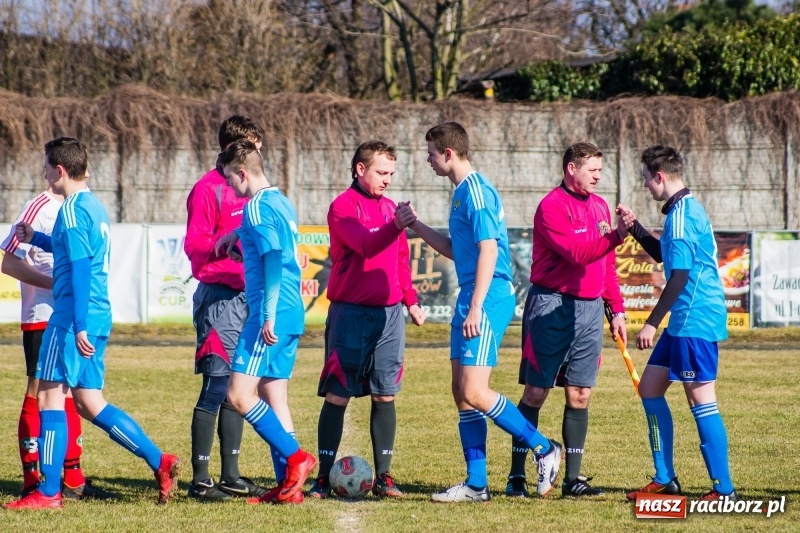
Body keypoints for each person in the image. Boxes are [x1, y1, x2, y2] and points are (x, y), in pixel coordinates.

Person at [3, 137, 179, 510]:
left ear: (60, 171)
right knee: (89, 402)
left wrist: (77, 324)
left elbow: (80, 269)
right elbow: (72, 250)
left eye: (47, 167)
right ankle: (159, 461)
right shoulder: (94, 207)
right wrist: (39, 239)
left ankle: (48, 492)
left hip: (71, 317)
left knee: (50, 398)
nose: (44, 173)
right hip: (99, 313)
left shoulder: (69, 210)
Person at [396, 122, 561, 503]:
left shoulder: (476, 192)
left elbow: (488, 250)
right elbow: (460, 249)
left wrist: (474, 308)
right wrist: (415, 225)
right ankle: (476, 484)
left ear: (449, 153)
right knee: (461, 392)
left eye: (432, 153)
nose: (428, 160)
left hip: (486, 298)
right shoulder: (459, 194)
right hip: (473, 293)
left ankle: (544, 448)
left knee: (475, 389)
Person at [504, 142, 629, 498]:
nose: (598, 176)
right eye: (592, 170)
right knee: (536, 391)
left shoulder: (601, 206)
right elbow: (577, 254)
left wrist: (616, 308)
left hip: (589, 311)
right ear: (571, 169)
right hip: (551, 306)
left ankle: (573, 480)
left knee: (580, 393)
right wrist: (617, 235)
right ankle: (517, 477)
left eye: (600, 170)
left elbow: (605, 265)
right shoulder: (551, 207)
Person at [309, 140, 426, 499]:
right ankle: (324, 478)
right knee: (338, 395)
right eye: (381, 172)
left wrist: (410, 300)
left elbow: (399, 262)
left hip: (390, 317)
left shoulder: (391, 208)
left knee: (385, 395)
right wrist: (395, 224)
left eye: (391, 173)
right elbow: (367, 245)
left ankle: (384, 477)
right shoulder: (343, 207)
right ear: (360, 169)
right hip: (350, 315)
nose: (388, 179)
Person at [620, 145, 736, 502]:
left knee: (702, 400)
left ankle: (723, 490)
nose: (645, 187)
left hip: (693, 321)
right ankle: (664, 479)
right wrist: (635, 228)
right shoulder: (678, 212)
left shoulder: (683, 215)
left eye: (645, 180)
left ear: (660, 177)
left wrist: (652, 323)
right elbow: (666, 257)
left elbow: (681, 276)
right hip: (682, 323)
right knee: (650, 389)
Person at [214, 138, 316, 504]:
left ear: (242, 173)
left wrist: (267, 314)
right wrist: (235, 235)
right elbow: (270, 244)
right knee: (275, 398)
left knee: (239, 396)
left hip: (268, 315)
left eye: (229, 179)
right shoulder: (280, 200)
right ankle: (289, 485)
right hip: (292, 311)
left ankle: (296, 459)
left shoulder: (255, 208)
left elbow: (273, 257)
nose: (228, 186)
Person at [2, 181, 118, 501]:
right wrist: (55, 283)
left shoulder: (83, 205)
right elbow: (8, 262)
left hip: (71, 316)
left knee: (68, 396)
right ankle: (32, 477)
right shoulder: (38, 206)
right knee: (41, 392)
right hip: (43, 314)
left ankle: (72, 477)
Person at [183, 115, 267, 501]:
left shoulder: (254, 189)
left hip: (248, 299)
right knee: (216, 386)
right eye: (254, 143)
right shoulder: (207, 189)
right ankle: (201, 480)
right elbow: (196, 250)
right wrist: (230, 253)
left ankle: (230, 474)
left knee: (239, 386)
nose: (260, 150)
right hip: (219, 299)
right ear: (235, 147)